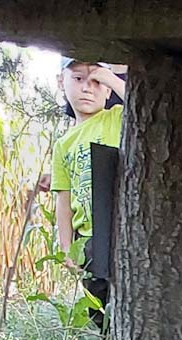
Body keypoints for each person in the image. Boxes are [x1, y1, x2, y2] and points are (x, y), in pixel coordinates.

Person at [51, 58, 126, 318]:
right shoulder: (63, 144)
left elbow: (144, 106)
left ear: (107, 91)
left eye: (95, 82)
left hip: (120, 231)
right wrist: (65, 246)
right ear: (62, 82)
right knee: (98, 308)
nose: (87, 88)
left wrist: (111, 79)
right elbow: (63, 196)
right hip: (87, 241)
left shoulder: (116, 117)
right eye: (78, 79)